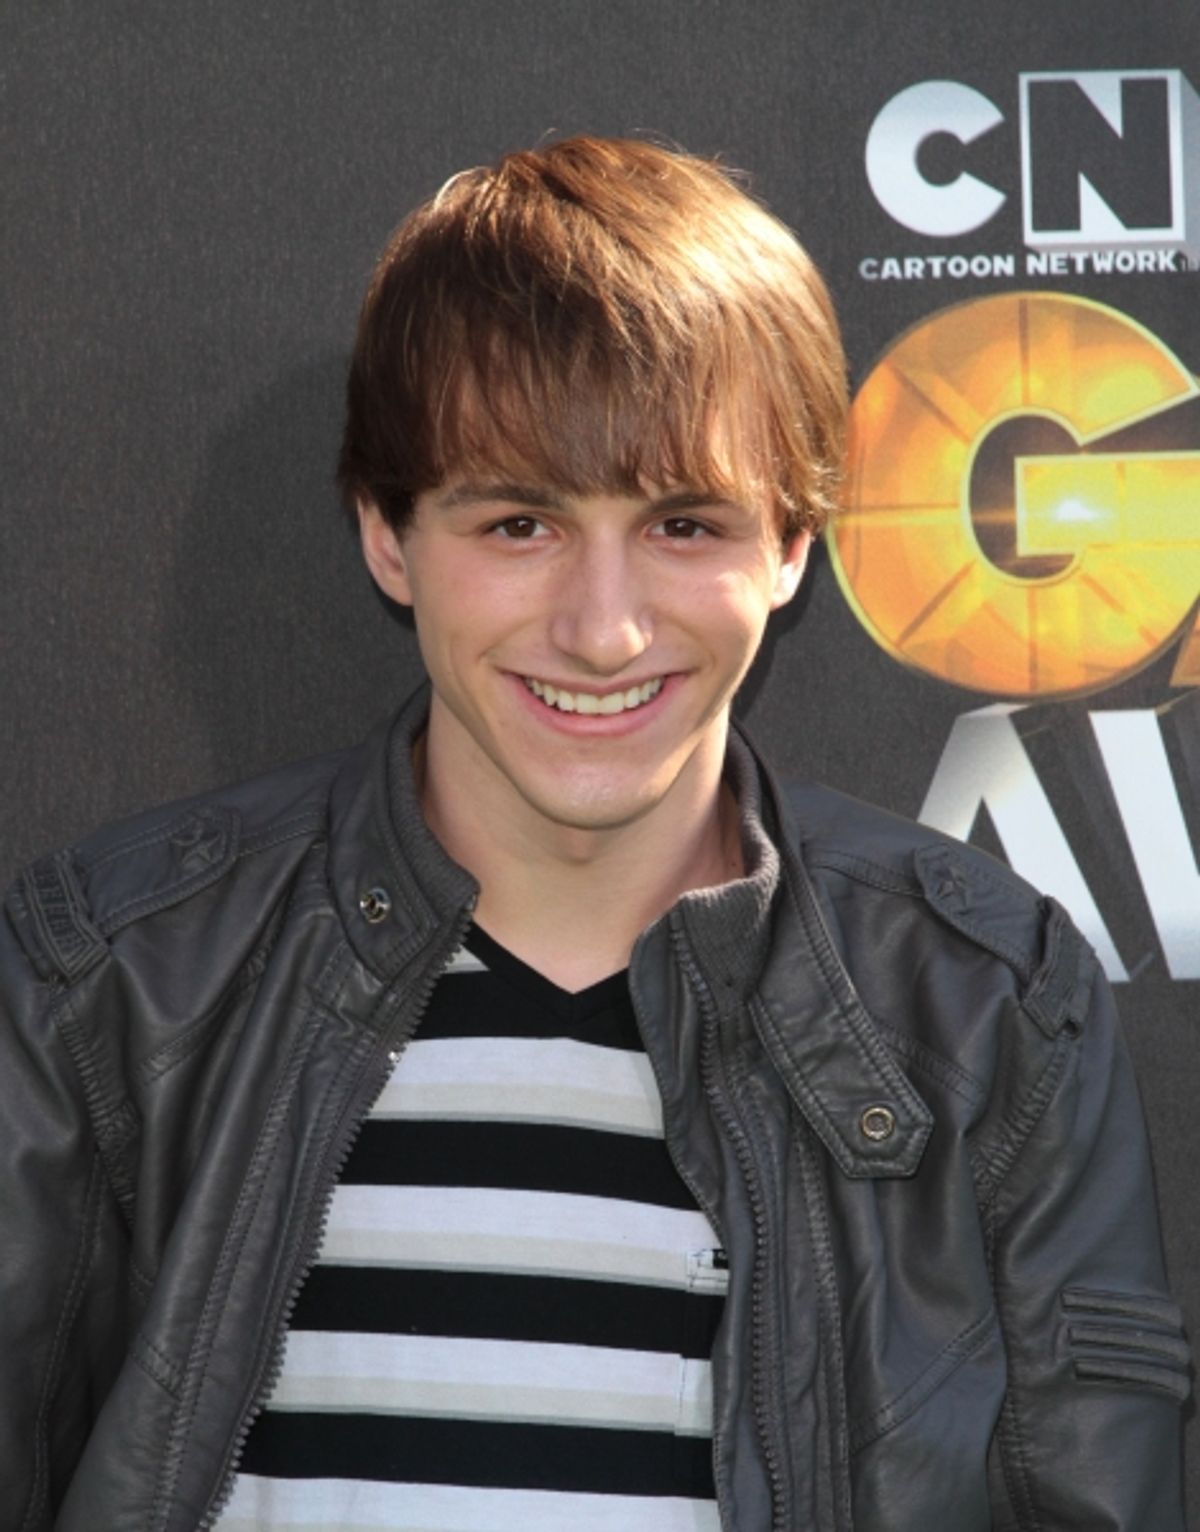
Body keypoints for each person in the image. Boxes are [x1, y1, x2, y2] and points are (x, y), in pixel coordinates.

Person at [0, 137, 1188, 1532]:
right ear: (387, 534)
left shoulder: (988, 1008)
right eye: (520, 523)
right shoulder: (115, 978)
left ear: (796, 544)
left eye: (684, 523)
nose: (604, 627)